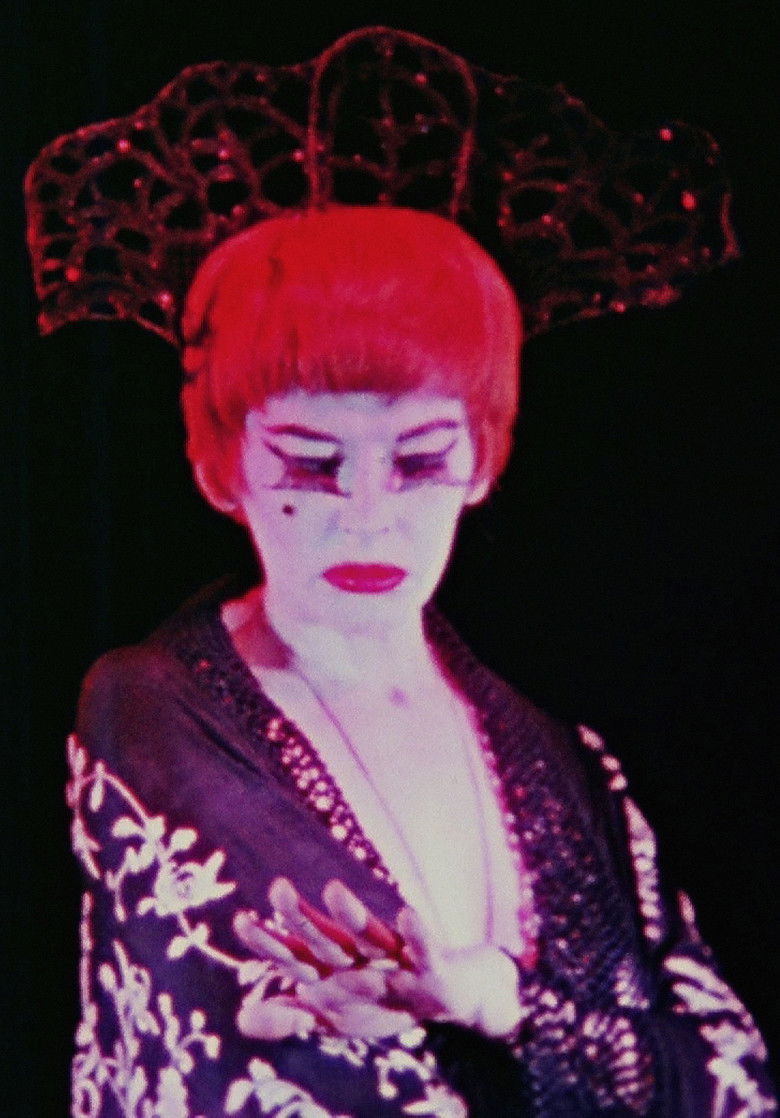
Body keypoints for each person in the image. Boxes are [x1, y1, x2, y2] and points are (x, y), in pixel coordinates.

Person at [26, 28, 774, 1118]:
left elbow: (727, 1076)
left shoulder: (568, 766)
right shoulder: (151, 715)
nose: (369, 513)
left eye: (419, 460)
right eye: (311, 464)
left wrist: (502, 1001)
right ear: (220, 466)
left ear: (483, 465)